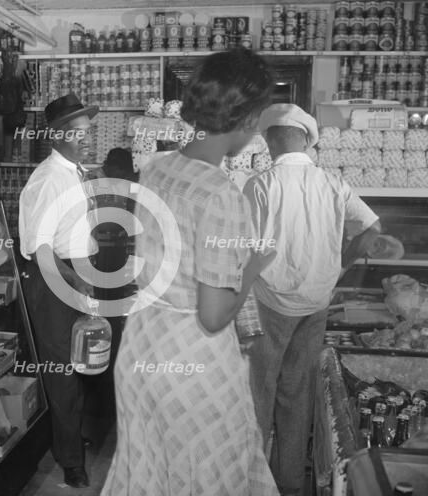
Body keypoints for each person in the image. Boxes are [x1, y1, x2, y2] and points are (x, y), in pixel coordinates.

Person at [101, 49, 279, 496]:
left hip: (142, 345)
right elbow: (214, 316)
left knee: (147, 471)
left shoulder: (157, 168)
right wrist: (254, 265)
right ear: (249, 119)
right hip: (191, 360)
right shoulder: (222, 194)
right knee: (211, 474)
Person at [242, 103, 381, 496]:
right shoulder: (333, 183)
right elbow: (372, 228)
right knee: (297, 393)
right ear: (305, 140)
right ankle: (287, 484)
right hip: (316, 303)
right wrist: (338, 266)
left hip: (270, 303)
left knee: (258, 395)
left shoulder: (260, 184)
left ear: (270, 141)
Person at [19, 93, 99, 489]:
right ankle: (71, 461)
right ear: (59, 134)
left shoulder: (74, 171)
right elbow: (41, 248)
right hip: (56, 283)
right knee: (63, 373)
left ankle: (72, 437)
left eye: (88, 130)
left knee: (83, 363)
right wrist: (77, 282)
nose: (87, 137)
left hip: (77, 276)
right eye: (80, 132)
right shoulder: (49, 179)